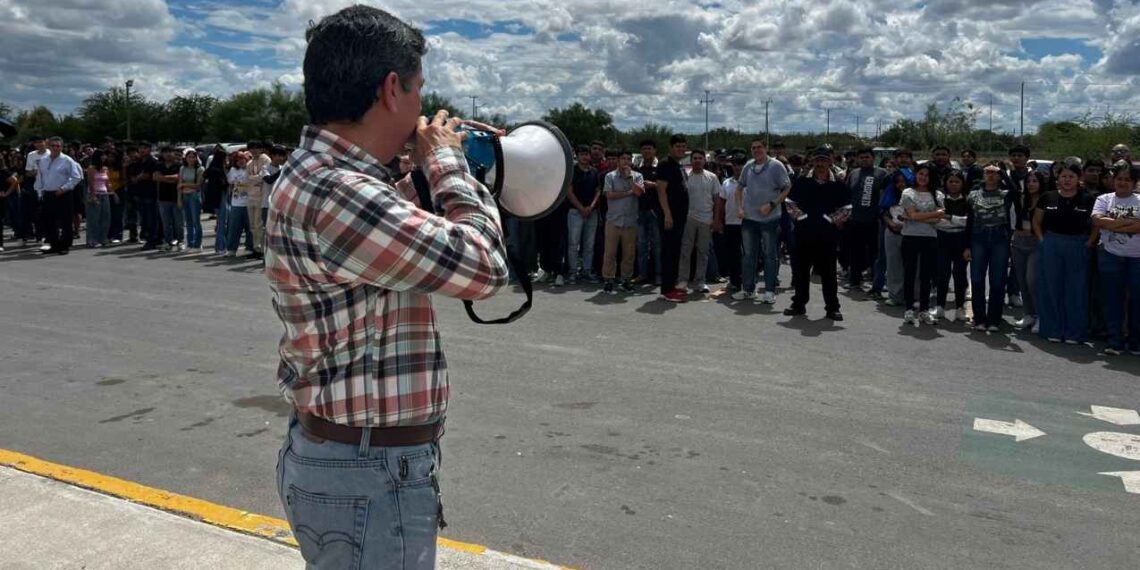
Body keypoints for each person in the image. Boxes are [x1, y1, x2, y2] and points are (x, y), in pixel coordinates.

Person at [267, 8, 509, 569]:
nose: (425, 108)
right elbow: (485, 267)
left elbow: (395, 234)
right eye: (420, 88)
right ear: (392, 88)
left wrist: (425, 176)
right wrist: (449, 165)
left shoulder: (322, 175)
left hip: (351, 460)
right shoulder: (339, 190)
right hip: (366, 472)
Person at [783, 148, 850, 321]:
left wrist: (831, 220)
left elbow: (847, 207)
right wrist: (801, 218)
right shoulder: (802, 182)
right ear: (812, 161)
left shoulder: (838, 184)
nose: (820, 164)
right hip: (803, 235)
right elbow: (790, 203)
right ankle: (798, 304)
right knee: (801, 272)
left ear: (830, 162)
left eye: (824, 160)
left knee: (829, 273)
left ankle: (832, 308)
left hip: (828, 236)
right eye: (817, 160)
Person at [1034, 163, 1096, 344]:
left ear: (1079, 179)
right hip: (1052, 243)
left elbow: (1096, 225)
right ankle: (1052, 329)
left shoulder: (1088, 199)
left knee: (1076, 290)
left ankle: (1074, 332)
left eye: (1071, 177)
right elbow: (1037, 221)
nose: (1067, 180)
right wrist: (1042, 241)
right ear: (1057, 178)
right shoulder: (1048, 197)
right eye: (1063, 176)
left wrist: (1089, 242)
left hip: (1078, 244)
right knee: (1051, 288)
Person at [733, 138, 791, 304]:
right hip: (749, 219)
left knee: (769, 255)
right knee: (749, 255)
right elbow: (739, 187)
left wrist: (772, 204)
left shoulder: (776, 166)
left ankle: (770, 291)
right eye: (753, 148)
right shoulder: (749, 166)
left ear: (766, 148)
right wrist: (739, 208)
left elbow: (787, 187)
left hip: (769, 219)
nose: (756, 150)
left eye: (759, 147)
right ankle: (748, 289)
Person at [1091, 162, 1140, 355]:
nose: (1122, 182)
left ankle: (1136, 341)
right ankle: (1115, 340)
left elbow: (1139, 228)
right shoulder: (1104, 199)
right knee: (1112, 300)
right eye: (1119, 179)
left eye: (1127, 180)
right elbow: (1097, 220)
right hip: (1110, 256)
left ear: (1135, 182)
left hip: (1137, 259)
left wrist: (1112, 224)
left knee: (1137, 301)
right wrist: (1130, 223)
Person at [965, 164, 1013, 332]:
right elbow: (969, 220)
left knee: (997, 280)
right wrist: (966, 245)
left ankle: (994, 319)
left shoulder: (1006, 194)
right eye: (988, 172)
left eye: (994, 173)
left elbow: (1017, 192)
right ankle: (979, 318)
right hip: (978, 237)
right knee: (977, 279)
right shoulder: (973, 194)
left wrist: (1005, 174)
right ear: (983, 175)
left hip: (999, 237)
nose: (991, 175)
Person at [899, 163, 945, 326]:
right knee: (910, 274)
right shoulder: (908, 192)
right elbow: (914, 214)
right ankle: (909, 309)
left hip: (930, 238)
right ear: (916, 175)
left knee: (926, 275)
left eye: (926, 175)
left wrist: (915, 217)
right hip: (910, 237)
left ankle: (924, 310)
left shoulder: (938, 194)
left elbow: (940, 218)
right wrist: (929, 215)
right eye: (921, 174)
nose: (923, 177)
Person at [601, 149, 643, 294]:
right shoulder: (610, 176)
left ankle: (626, 280)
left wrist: (630, 179)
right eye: (623, 159)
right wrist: (628, 193)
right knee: (610, 252)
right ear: (618, 161)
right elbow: (610, 195)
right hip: (613, 220)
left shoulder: (637, 176)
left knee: (629, 253)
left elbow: (638, 192)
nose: (626, 161)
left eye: (628, 159)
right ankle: (608, 279)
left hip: (630, 221)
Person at [845, 147, 887, 291]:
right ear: (857, 159)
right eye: (861, 157)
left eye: (867, 157)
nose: (864, 159)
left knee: (875, 252)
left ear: (873, 158)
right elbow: (847, 194)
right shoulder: (853, 173)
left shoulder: (882, 173)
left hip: (875, 220)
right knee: (855, 251)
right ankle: (854, 280)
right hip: (855, 219)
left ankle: (877, 282)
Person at [677, 149, 719, 295]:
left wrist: (716, 219)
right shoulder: (685, 176)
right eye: (694, 158)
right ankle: (682, 280)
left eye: (700, 158)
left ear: (704, 160)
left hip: (706, 219)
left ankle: (700, 281)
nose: (697, 160)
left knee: (703, 252)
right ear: (691, 160)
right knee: (685, 251)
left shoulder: (712, 177)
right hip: (688, 218)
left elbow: (717, 199)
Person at [34, 137, 82, 255]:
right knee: (49, 220)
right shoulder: (43, 160)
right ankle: (54, 244)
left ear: (62, 147)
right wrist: (40, 191)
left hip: (63, 194)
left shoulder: (67, 160)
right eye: (53, 146)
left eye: (58, 146)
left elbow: (76, 177)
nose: (56, 148)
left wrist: (64, 188)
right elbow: (40, 177)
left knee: (65, 221)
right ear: (49, 147)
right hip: (48, 193)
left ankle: (64, 245)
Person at [657, 134, 690, 303]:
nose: (681, 149)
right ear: (670, 147)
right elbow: (661, 191)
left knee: (675, 252)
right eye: (678, 146)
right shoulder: (665, 165)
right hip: (670, 217)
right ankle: (667, 290)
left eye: (683, 146)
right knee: (669, 253)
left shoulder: (678, 166)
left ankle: (672, 285)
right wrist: (667, 214)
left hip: (680, 217)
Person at [934, 170, 970, 322]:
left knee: (959, 274)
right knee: (942, 273)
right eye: (951, 181)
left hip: (961, 240)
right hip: (942, 238)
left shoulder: (968, 200)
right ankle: (940, 306)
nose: (954, 185)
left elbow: (968, 221)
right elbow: (936, 219)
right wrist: (957, 220)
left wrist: (949, 217)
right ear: (945, 183)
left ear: (962, 184)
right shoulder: (939, 199)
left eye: (957, 182)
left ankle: (959, 308)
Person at [566, 145, 600, 283]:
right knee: (573, 243)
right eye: (582, 154)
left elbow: (598, 190)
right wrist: (581, 208)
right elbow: (569, 192)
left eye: (587, 154)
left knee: (589, 244)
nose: (585, 157)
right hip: (575, 212)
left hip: (592, 212)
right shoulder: (572, 171)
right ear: (577, 156)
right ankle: (573, 272)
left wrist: (590, 207)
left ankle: (586, 270)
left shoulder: (594, 171)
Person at [714, 155, 746, 291]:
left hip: (748, 224)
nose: (738, 167)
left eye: (740, 164)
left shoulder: (752, 182)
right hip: (730, 223)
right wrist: (718, 221)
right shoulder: (726, 183)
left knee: (749, 255)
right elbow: (721, 203)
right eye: (735, 164)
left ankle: (748, 281)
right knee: (733, 255)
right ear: (732, 166)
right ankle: (734, 281)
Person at [635, 139, 661, 285]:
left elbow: (667, 187)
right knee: (642, 244)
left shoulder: (660, 167)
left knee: (657, 245)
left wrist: (654, 185)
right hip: (640, 210)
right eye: (644, 148)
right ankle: (642, 274)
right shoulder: (636, 169)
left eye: (649, 148)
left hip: (655, 211)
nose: (646, 151)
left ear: (655, 150)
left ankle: (659, 275)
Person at [154, 146, 184, 252]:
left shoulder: (179, 165)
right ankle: (168, 242)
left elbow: (178, 178)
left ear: (174, 153)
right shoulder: (159, 165)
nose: (167, 154)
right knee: (166, 223)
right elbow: (155, 177)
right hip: (163, 198)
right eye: (165, 152)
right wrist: (170, 178)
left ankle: (181, 241)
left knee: (178, 222)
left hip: (176, 197)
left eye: (170, 152)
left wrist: (163, 178)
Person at [245, 141, 272, 259]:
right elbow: (247, 178)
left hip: (261, 196)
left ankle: (261, 249)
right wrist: (254, 179)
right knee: (252, 224)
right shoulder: (249, 162)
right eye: (251, 148)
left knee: (259, 224)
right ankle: (256, 248)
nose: (254, 150)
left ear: (261, 149)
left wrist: (253, 178)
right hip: (250, 196)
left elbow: (263, 177)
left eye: (256, 148)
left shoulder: (266, 160)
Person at [225, 152, 252, 257]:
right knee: (234, 227)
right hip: (236, 203)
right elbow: (230, 182)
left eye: (242, 159)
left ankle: (249, 247)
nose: (240, 161)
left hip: (250, 202)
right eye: (237, 160)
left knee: (250, 228)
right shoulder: (233, 170)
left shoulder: (251, 170)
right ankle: (231, 248)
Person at [84, 150, 111, 248]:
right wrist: (93, 195)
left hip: (104, 194)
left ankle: (103, 238)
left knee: (105, 218)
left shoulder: (105, 168)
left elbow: (107, 183)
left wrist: (113, 192)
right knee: (93, 219)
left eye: (105, 155)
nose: (104, 157)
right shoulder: (91, 168)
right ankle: (92, 240)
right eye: (102, 155)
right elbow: (91, 183)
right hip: (95, 194)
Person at [180, 149, 205, 251]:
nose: (191, 159)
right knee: (188, 221)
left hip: (194, 196)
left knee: (196, 221)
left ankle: (198, 244)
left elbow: (198, 185)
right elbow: (179, 184)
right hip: (185, 195)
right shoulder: (182, 168)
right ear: (185, 158)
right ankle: (190, 243)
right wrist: (179, 197)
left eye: (193, 157)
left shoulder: (200, 169)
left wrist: (184, 184)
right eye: (189, 157)